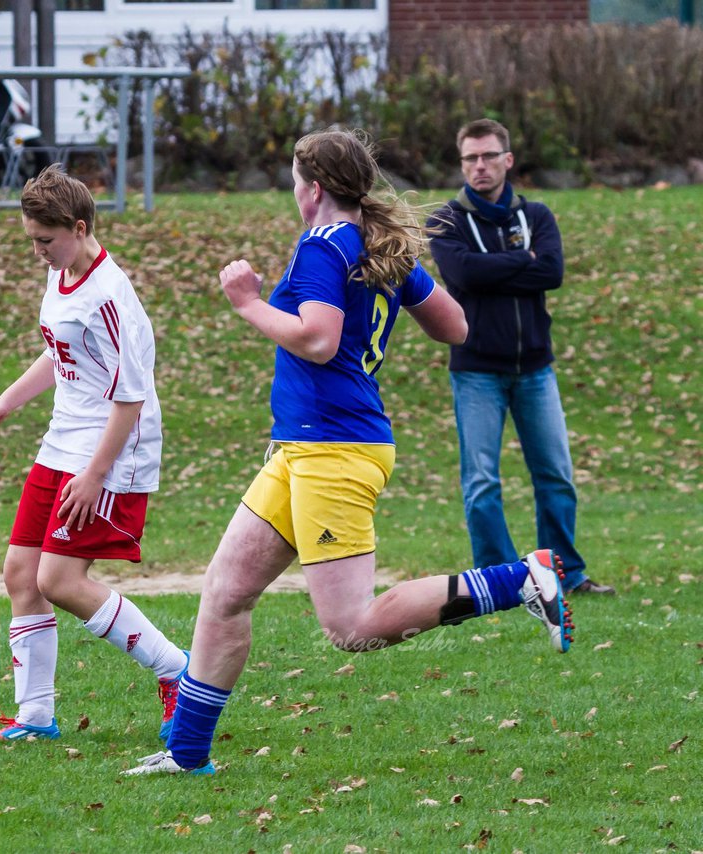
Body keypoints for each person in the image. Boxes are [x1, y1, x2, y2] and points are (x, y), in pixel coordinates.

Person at [124, 129, 574, 777]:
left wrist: (249, 304)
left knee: (352, 627)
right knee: (225, 592)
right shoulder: (375, 244)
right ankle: (187, 754)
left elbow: (316, 340)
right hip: (308, 448)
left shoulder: (323, 244)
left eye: (293, 184)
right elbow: (456, 325)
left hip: (333, 450)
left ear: (312, 189)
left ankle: (521, 580)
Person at [0, 164, 188, 744]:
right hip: (63, 440)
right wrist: (3, 405)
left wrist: (95, 475)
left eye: (46, 240)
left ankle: (178, 673)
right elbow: (57, 351)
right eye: (32, 240)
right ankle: (35, 717)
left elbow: (130, 396)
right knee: (22, 574)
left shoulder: (110, 294)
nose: (38, 251)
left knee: (61, 579)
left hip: (112, 451)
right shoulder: (61, 272)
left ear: (80, 226)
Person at [427, 118, 613, 595]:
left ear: (507, 160)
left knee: (555, 476)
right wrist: (522, 262)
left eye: (489, 156)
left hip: (535, 368)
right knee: (483, 483)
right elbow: (462, 274)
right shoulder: (446, 220)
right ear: (462, 163)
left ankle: (565, 575)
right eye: (470, 158)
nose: (480, 166)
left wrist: (505, 268)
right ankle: (500, 583)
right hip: (475, 371)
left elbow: (551, 272)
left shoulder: (538, 216)